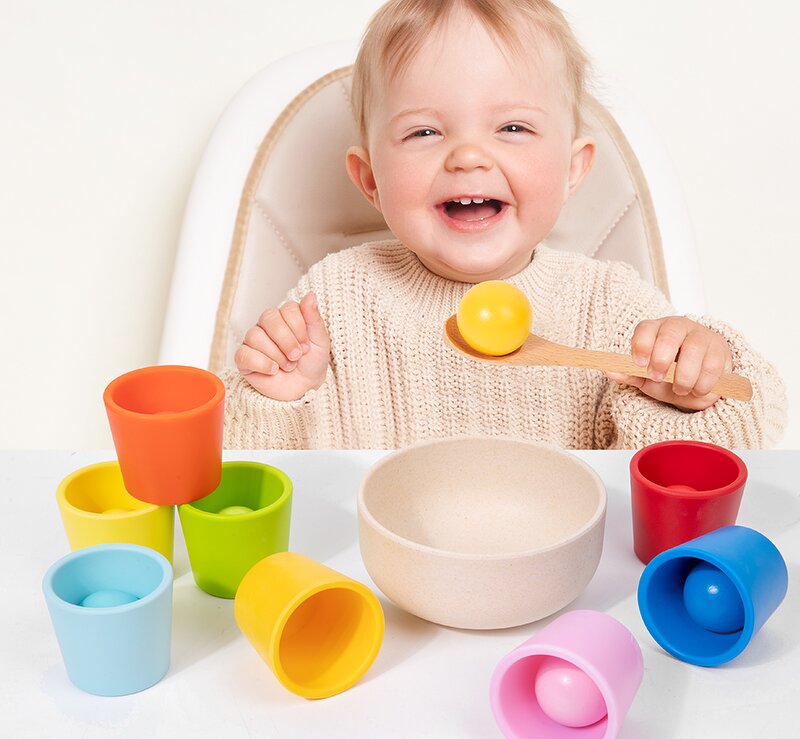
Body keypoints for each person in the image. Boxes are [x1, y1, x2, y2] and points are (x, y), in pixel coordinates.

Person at [222, 0, 786, 449]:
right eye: (424, 132)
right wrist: (277, 399)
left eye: (513, 128)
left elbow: (753, 429)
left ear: (572, 169)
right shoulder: (334, 298)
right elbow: (244, 461)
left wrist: (693, 388)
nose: (468, 156)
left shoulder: (609, 305)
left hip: (567, 575)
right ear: (371, 180)